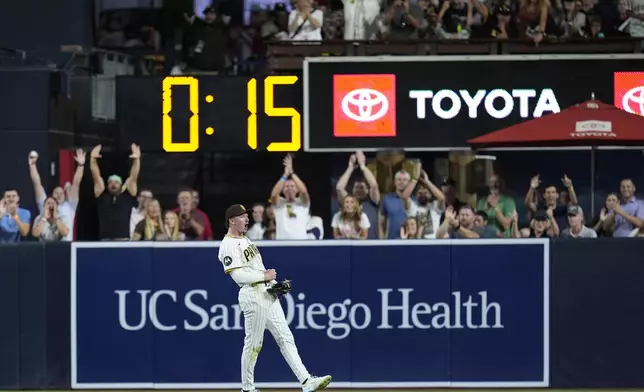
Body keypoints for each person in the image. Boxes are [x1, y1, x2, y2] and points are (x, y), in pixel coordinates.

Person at [217, 204, 332, 392]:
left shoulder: (245, 239)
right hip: (251, 294)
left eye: (247, 216)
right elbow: (238, 276)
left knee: (286, 337)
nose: (247, 219)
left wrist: (273, 285)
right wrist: (264, 278)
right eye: (242, 216)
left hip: (265, 292)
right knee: (254, 344)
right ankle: (247, 388)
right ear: (231, 220)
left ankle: (306, 380)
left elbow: (258, 269)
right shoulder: (228, 244)